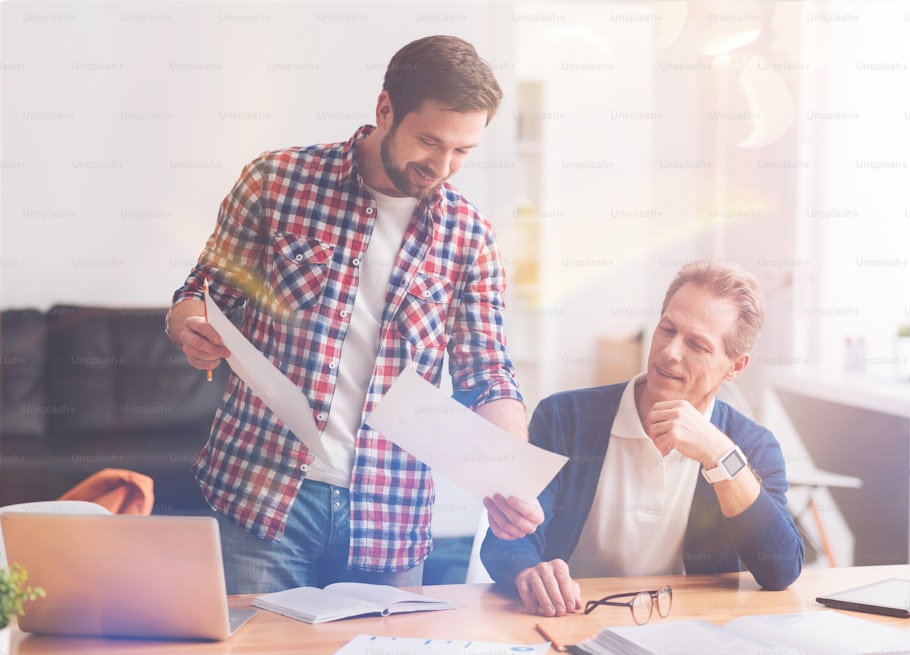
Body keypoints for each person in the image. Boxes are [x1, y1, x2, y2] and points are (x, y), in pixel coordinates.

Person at [166, 35, 542, 594]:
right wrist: (190, 328)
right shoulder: (277, 181)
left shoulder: (471, 236)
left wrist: (510, 478)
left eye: (462, 151)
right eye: (429, 141)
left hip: (388, 517)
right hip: (261, 496)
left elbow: (488, 373)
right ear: (385, 109)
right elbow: (200, 291)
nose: (442, 166)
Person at [481, 260, 804, 617]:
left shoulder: (751, 446)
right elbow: (505, 538)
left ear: (735, 367)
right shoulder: (564, 418)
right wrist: (528, 571)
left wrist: (718, 454)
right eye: (667, 329)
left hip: (686, 629)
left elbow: (781, 569)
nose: (670, 352)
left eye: (697, 345)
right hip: (574, 617)